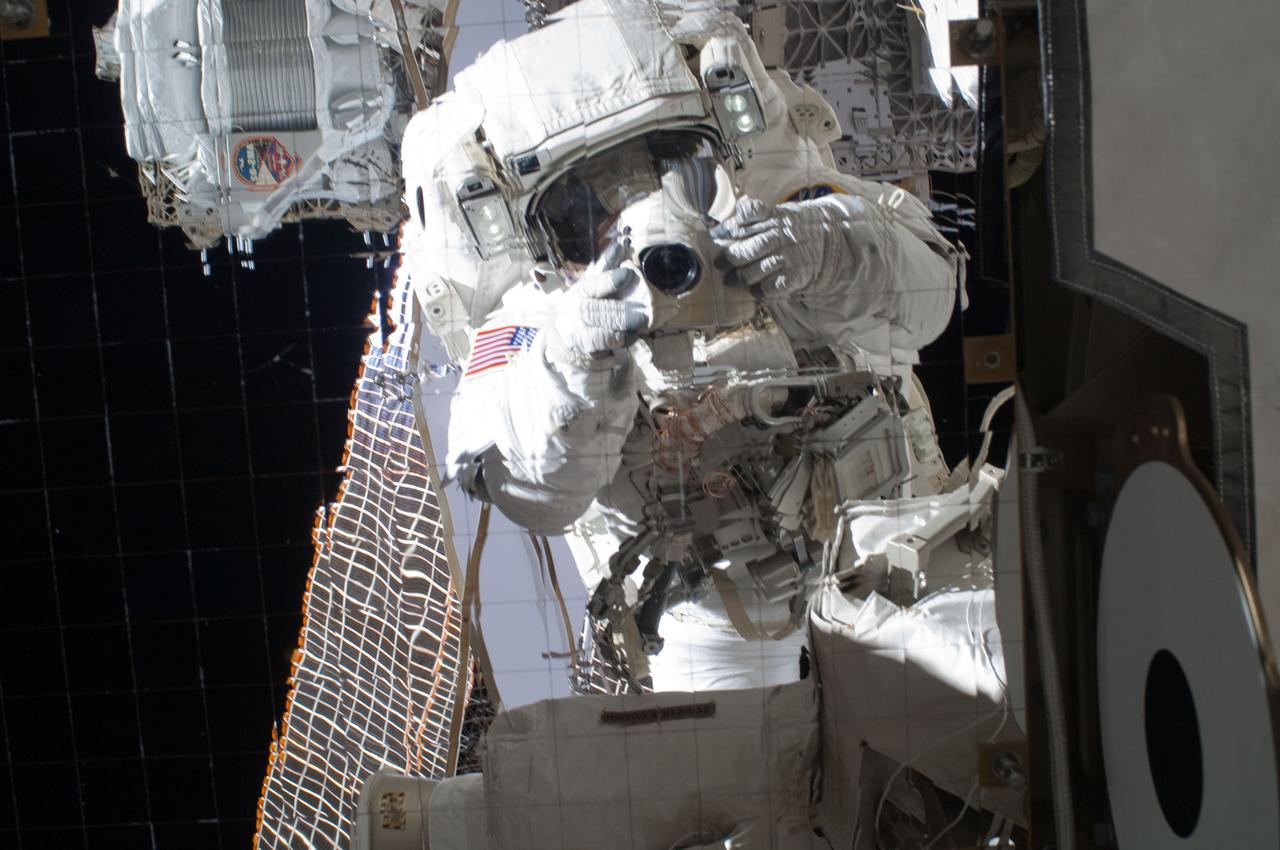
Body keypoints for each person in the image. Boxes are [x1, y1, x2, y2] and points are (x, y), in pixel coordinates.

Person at [400, 0, 962, 692]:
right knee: (740, 775)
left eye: (674, 168)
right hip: (711, 604)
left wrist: (823, 247)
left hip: (890, 527)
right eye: (584, 214)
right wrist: (579, 351)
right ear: (537, 239)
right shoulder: (533, 323)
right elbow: (535, 491)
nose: (637, 217)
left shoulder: (783, 211)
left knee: (979, 677)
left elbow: (930, 299)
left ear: (719, 152)